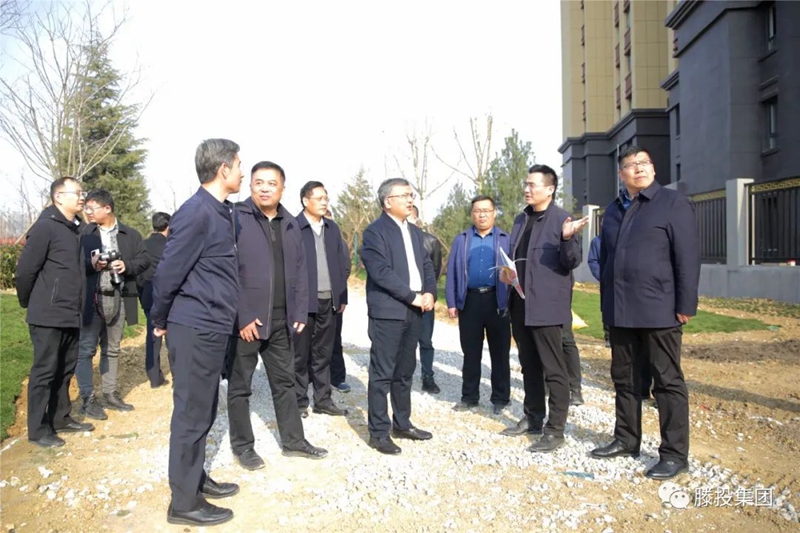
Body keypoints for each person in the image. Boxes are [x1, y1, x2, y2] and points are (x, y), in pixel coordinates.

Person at [591, 145, 700, 480]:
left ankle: (674, 454)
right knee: (624, 378)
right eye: (631, 164)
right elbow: (606, 262)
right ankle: (626, 439)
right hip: (620, 310)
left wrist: (685, 304)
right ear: (621, 174)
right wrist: (606, 306)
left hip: (659, 309)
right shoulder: (612, 211)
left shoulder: (672, 203)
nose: (638, 168)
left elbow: (687, 257)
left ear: (653, 168)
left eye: (644, 162)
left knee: (666, 381)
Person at [151, 139, 243, 526]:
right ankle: (184, 502)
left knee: (203, 408)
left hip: (212, 324)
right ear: (223, 169)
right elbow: (167, 274)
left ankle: (195, 477)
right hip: (194, 325)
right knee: (191, 412)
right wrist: (159, 319)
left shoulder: (220, 212)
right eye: (239, 165)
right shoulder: (195, 212)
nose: (242, 172)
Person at [227, 163, 327, 471]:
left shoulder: (290, 223)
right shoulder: (236, 217)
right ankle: (244, 447)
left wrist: (300, 309)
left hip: (282, 320)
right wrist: (243, 315)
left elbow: (300, 269)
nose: (265, 188)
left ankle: (294, 441)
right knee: (240, 386)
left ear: (282, 188)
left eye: (272, 183)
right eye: (259, 182)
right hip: (248, 323)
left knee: (285, 382)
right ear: (250, 186)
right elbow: (228, 271)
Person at [500, 165, 588, 453]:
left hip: (547, 308)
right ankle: (533, 417)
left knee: (554, 370)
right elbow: (518, 258)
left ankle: (555, 430)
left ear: (550, 189)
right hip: (520, 304)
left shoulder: (562, 219)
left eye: (532, 185)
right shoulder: (521, 219)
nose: (527, 189)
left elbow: (571, 262)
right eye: (526, 184)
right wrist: (507, 274)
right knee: (529, 366)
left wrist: (566, 238)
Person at [15, 177, 94, 447]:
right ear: (58, 197)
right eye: (77, 192)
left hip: (72, 312)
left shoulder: (75, 229)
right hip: (48, 314)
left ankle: (60, 418)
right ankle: (38, 430)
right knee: (45, 371)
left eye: (83, 192)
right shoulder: (45, 227)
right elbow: (25, 272)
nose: (82, 197)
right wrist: (30, 302)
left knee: (65, 368)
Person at [361, 178, 436, 455]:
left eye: (411, 195)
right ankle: (379, 432)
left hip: (415, 308)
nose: (410, 199)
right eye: (404, 195)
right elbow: (380, 272)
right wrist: (411, 296)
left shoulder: (414, 232)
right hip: (388, 310)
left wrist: (429, 293)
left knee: (405, 371)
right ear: (387, 201)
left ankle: (402, 423)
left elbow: (427, 265)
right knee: (382, 373)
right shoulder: (374, 232)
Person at [76, 190, 149, 420]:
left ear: (107, 208)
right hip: (91, 299)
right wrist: (91, 264)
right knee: (86, 349)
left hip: (120, 297)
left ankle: (110, 394)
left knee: (113, 348)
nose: (88, 212)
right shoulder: (84, 233)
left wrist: (126, 265)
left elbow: (144, 259)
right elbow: (71, 262)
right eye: (87, 208)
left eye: (92, 208)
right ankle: (87, 399)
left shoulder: (130, 234)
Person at [444, 195, 511, 414]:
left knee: (500, 353)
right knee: (471, 352)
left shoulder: (505, 239)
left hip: (497, 301)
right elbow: (452, 272)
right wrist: (452, 301)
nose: (482, 215)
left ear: (494, 213)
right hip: (470, 301)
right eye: (477, 211)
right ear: (472, 214)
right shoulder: (462, 240)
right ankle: (469, 397)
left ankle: (500, 398)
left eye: (486, 210)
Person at [294, 181, 350, 417]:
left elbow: (340, 263)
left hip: (329, 300)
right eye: (319, 198)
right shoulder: (293, 227)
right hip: (303, 302)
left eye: (326, 198)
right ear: (305, 201)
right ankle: (298, 401)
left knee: (324, 353)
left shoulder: (332, 228)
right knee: (300, 354)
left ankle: (323, 400)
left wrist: (342, 295)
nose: (324, 202)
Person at [408, 205, 443, 394]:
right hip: (403, 298)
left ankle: (427, 376)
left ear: (417, 220)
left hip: (425, 298)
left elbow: (435, 271)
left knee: (426, 340)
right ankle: (400, 376)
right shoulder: (395, 240)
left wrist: (428, 293)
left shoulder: (430, 241)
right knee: (402, 341)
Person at [138, 212, 172, 388]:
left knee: (152, 337)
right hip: (169, 297)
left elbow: (138, 273)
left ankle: (154, 378)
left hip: (148, 296)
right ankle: (178, 376)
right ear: (169, 226)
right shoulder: (172, 245)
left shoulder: (142, 245)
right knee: (173, 337)